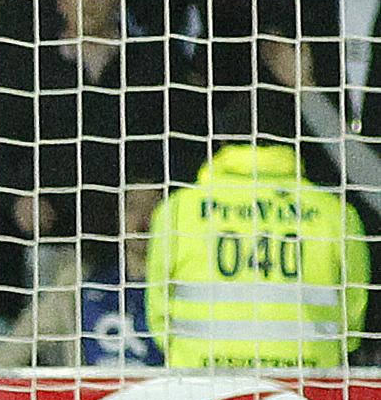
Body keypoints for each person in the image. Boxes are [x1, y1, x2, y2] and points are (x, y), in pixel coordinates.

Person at [144, 124, 368, 366]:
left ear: (221, 144)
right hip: (306, 382)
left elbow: (158, 311)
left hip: (202, 380)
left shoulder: (178, 208)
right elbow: (353, 318)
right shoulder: (336, 213)